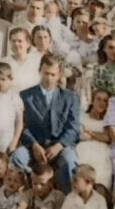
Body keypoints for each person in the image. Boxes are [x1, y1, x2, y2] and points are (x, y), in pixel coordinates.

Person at [11, 53, 81, 192]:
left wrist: (59, 146)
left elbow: (73, 128)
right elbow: (22, 125)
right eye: (45, 73)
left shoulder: (70, 97)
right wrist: (34, 145)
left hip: (60, 147)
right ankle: (24, 198)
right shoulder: (25, 96)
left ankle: (65, 200)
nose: (48, 78)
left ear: (60, 74)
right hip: (33, 147)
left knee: (69, 161)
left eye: (53, 75)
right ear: (39, 71)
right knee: (17, 157)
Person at [76, 89, 113, 190]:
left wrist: (91, 133)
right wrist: (99, 135)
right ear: (92, 101)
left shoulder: (107, 121)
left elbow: (108, 138)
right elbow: (80, 135)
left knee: (101, 171)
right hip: (84, 148)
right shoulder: (82, 117)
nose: (101, 103)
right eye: (98, 99)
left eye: (105, 101)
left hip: (101, 150)